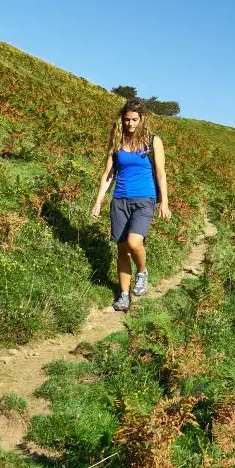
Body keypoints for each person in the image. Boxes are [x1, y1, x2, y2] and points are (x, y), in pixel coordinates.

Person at [90, 98, 171, 310]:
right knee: (122, 249)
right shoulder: (117, 141)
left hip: (145, 199)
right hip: (120, 199)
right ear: (122, 119)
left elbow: (161, 173)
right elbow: (108, 174)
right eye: (127, 119)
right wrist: (99, 201)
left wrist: (164, 202)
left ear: (142, 119)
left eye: (135, 119)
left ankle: (142, 272)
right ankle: (124, 295)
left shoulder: (153, 141)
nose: (131, 124)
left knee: (135, 243)